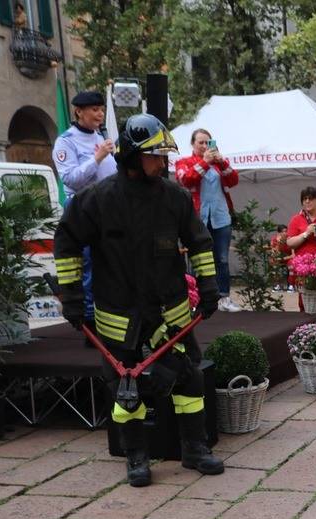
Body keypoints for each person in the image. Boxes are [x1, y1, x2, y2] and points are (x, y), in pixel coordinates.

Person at [54, 114, 225, 487]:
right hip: (119, 315)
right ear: (132, 156)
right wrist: (71, 297)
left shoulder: (175, 197)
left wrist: (209, 286)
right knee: (125, 391)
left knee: (189, 380)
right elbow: (66, 242)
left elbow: (199, 242)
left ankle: (194, 448)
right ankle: (136, 457)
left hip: (171, 312)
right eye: (154, 156)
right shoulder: (96, 200)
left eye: (164, 157)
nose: (162, 164)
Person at [52, 91, 120, 336]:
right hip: (83, 209)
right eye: (94, 109)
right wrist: (98, 157)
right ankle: (91, 325)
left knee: (111, 264)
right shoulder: (66, 141)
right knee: (89, 265)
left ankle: (108, 318)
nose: (100, 114)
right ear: (79, 112)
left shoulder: (101, 136)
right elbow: (70, 178)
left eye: (101, 109)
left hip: (109, 208)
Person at [174, 129, 242, 313]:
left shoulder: (218, 163)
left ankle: (224, 298)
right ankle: (199, 299)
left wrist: (222, 161)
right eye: (201, 143)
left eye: (208, 142)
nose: (205, 146)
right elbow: (185, 180)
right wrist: (205, 162)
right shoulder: (184, 162)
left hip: (221, 217)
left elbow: (234, 180)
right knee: (199, 259)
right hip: (198, 218)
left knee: (222, 259)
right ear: (193, 144)